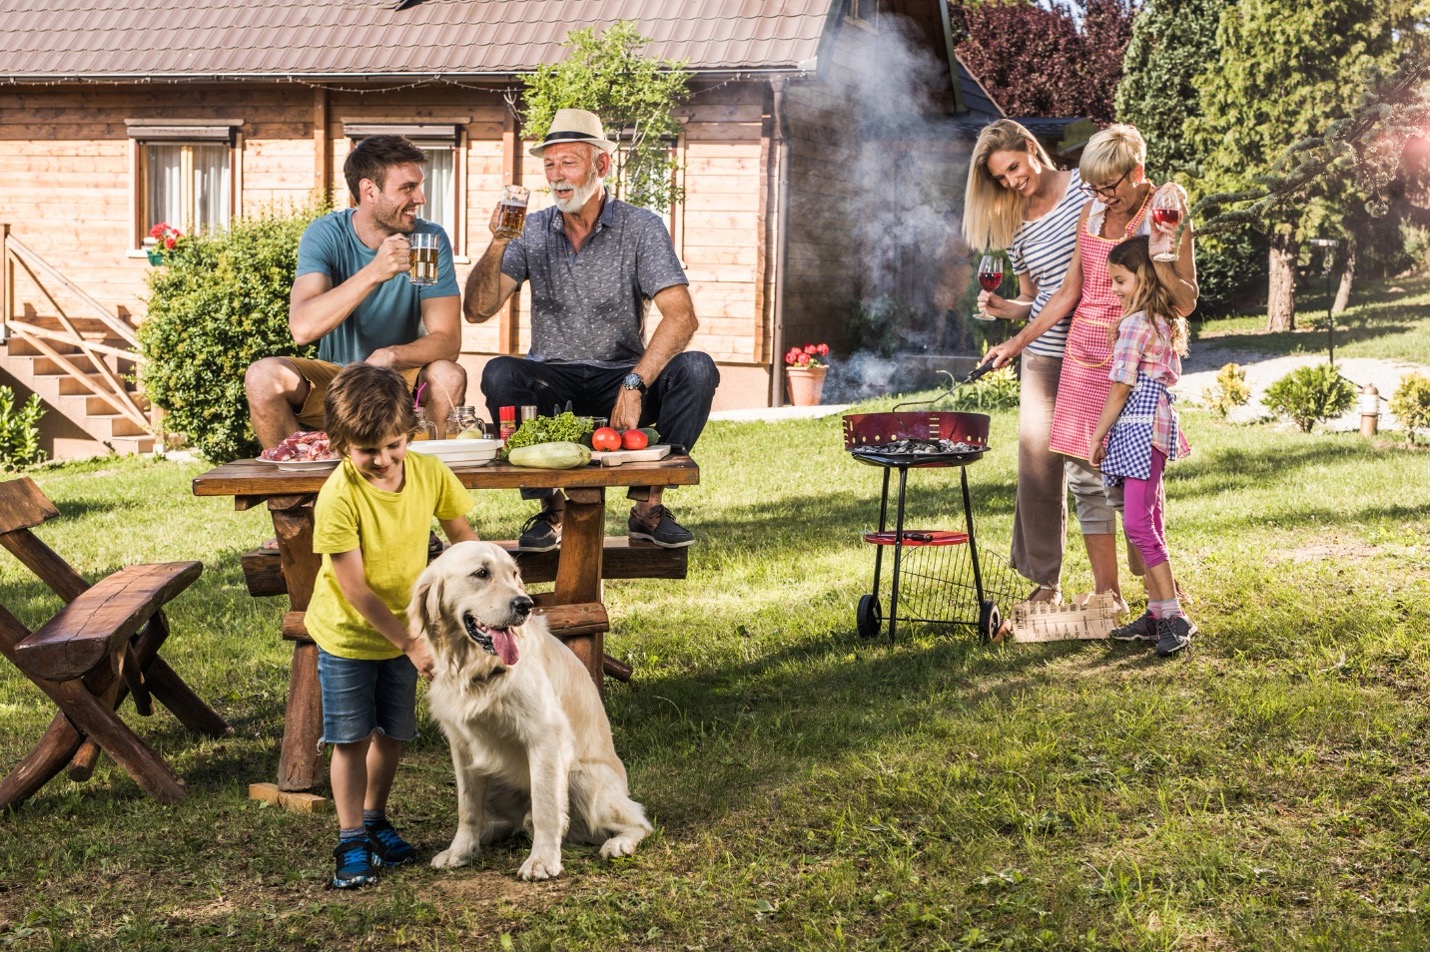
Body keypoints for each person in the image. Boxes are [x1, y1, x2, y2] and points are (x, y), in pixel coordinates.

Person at [463, 108, 720, 552]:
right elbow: (478, 310)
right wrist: (498, 243)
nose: (557, 175)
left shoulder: (641, 227)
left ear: (601, 165)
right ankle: (552, 509)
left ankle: (647, 506)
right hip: (552, 378)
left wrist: (636, 381)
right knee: (500, 373)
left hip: (619, 379)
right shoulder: (529, 229)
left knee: (697, 369)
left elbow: (682, 317)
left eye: (568, 162)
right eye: (549, 164)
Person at [981, 124, 1198, 610]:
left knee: (1135, 476)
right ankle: (1107, 594)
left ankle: (1158, 590)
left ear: (1136, 172)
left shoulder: (1163, 215)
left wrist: (1162, 257)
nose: (1101, 197)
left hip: (1135, 358)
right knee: (1085, 479)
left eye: (1109, 187)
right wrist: (1017, 341)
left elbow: (1184, 303)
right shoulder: (1092, 210)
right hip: (1083, 352)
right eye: (1094, 188)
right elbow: (1067, 292)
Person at [307, 363, 479, 888]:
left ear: (410, 433)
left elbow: (465, 542)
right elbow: (355, 588)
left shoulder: (428, 473)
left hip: (408, 634)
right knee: (352, 738)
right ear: (340, 445)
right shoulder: (339, 497)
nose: (381, 460)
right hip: (350, 635)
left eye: (392, 446)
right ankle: (351, 838)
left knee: (394, 732)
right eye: (366, 452)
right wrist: (409, 642)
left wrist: (481, 595)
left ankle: (376, 819)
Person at [245, 134, 467, 454]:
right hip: (337, 381)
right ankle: (297, 497)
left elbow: (448, 341)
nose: (420, 198)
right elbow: (303, 328)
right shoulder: (326, 234)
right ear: (369, 190)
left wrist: (392, 355)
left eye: (419, 185)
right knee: (263, 376)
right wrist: (374, 272)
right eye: (407, 187)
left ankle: (421, 482)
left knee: (448, 375)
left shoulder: (427, 240)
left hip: (400, 379)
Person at [962, 119, 1091, 605]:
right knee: (1038, 472)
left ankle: (1141, 577)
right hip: (1043, 355)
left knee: (1103, 468)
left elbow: (1071, 291)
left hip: (1090, 350)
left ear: (1030, 149)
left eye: (1014, 167)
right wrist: (1004, 310)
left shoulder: (1083, 187)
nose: (1013, 181)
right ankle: (1046, 582)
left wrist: (1014, 343)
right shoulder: (1017, 225)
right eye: (1002, 178)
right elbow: (1033, 298)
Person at [1090, 236, 1195, 656]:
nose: (1114, 289)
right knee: (1145, 516)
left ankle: (1174, 615)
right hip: (1151, 426)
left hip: (1139, 425)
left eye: (1119, 281)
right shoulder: (1158, 320)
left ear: (1143, 278)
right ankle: (1155, 614)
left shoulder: (1136, 325)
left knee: (1136, 524)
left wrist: (1098, 435)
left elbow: (1120, 388)